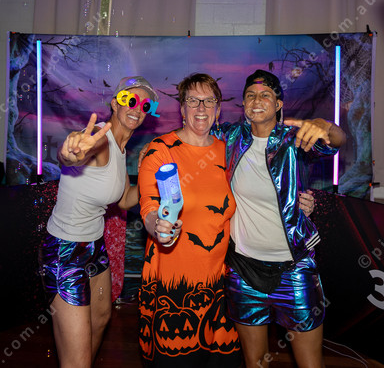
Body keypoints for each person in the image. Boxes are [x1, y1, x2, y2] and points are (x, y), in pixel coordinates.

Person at [219, 69, 346, 368]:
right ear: (243, 104)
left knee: (310, 364)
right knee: (256, 362)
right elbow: (190, 138)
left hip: (293, 269)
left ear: (278, 104)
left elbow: (336, 141)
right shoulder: (229, 137)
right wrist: (155, 148)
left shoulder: (293, 139)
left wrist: (326, 125)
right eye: (250, 95)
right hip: (244, 270)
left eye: (265, 95)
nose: (257, 100)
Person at [39, 76, 159, 367]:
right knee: (77, 360)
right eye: (130, 100)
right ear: (115, 104)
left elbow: (124, 200)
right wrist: (70, 153)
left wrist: (148, 173)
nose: (137, 108)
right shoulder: (100, 140)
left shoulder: (120, 148)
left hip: (94, 246)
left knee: (102, 316)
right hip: (65, 252)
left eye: (145, 105)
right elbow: (75, 155)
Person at [137, 73, 242, 367]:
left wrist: (297, 201)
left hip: (220, 284)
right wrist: (158, 227)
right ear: (182, 108)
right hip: (172, 286)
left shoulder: (230, 153)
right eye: (193, 100)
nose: (201, 108)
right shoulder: (160, 150)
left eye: (209, 101)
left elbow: (254, 196)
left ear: (218, 109)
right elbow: (149, 206)